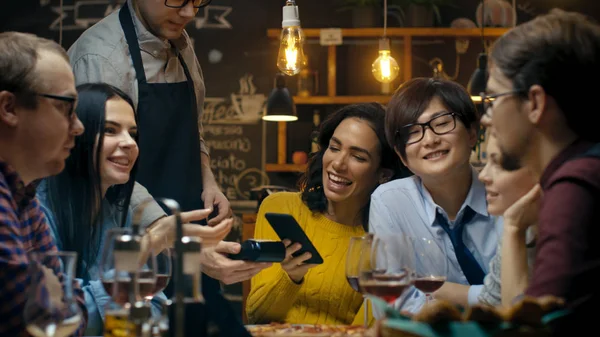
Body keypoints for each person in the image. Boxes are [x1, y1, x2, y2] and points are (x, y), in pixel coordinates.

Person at [67, 0, 269, 288]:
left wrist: (207, 180)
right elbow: (98, 164)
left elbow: (193, 125)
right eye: (177, 0)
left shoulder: (180, 42)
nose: (189, 14)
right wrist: (174, 238)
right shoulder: (101, 56)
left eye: (197, 2)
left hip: (186, 224)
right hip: (131, 236)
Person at [35, 83, 232, 335]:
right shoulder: (37, 210)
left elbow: (155, 303)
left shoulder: (121, 210)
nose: (129, 143)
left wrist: (111, 302)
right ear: (75, 133)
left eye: (133, 133)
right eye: (110, 130)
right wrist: (148, 245)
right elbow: (55, 316)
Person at [482, 8, 600, 330]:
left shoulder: (573, 190)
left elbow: (536, 329)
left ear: (534, 103)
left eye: (493, 98)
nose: (486, 117)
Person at [247, 103, 406, 325]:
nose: (338, 164)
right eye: (334, 147)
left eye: (358, 157)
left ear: (383, 174)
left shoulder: (384, 242)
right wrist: (290, 277)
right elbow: (256, 316)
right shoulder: (279, 208)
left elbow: (366, 331)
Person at [370, 77, 502, 312]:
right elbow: (392, 306)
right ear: (402, 157)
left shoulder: (504, 192)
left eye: (441, 123)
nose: (430, 140)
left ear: (472, 133)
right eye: (413, 132)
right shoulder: (390, 202)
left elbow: (524, 295)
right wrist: (486, 298)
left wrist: (440, 292)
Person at [0, 31, 87, 336]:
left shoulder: (24, 193)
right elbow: (24, 320)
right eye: (66, 107)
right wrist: (50, 289)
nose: (79, 127)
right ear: (9, 108)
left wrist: (52, 289)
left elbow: (72, 317)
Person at [477, 133, 537, 306]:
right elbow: (489, 308)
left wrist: (512, 229)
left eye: (499, 164)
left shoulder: (574, 234)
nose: (482, 175)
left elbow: (521, 327)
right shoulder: (519, 225)